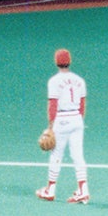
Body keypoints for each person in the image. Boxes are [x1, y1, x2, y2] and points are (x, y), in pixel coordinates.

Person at [35, 48, 90, 204]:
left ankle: (50, 190)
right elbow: (82, 104)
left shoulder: (54, 81)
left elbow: (53, 105)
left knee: (56, 154)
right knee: (78, 155)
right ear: (70, 61)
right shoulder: (80, 80)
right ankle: (83, 190)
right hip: (77, 119)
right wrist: (78, 120)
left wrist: (51, 126)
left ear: (56, 62)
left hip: (62, 119)